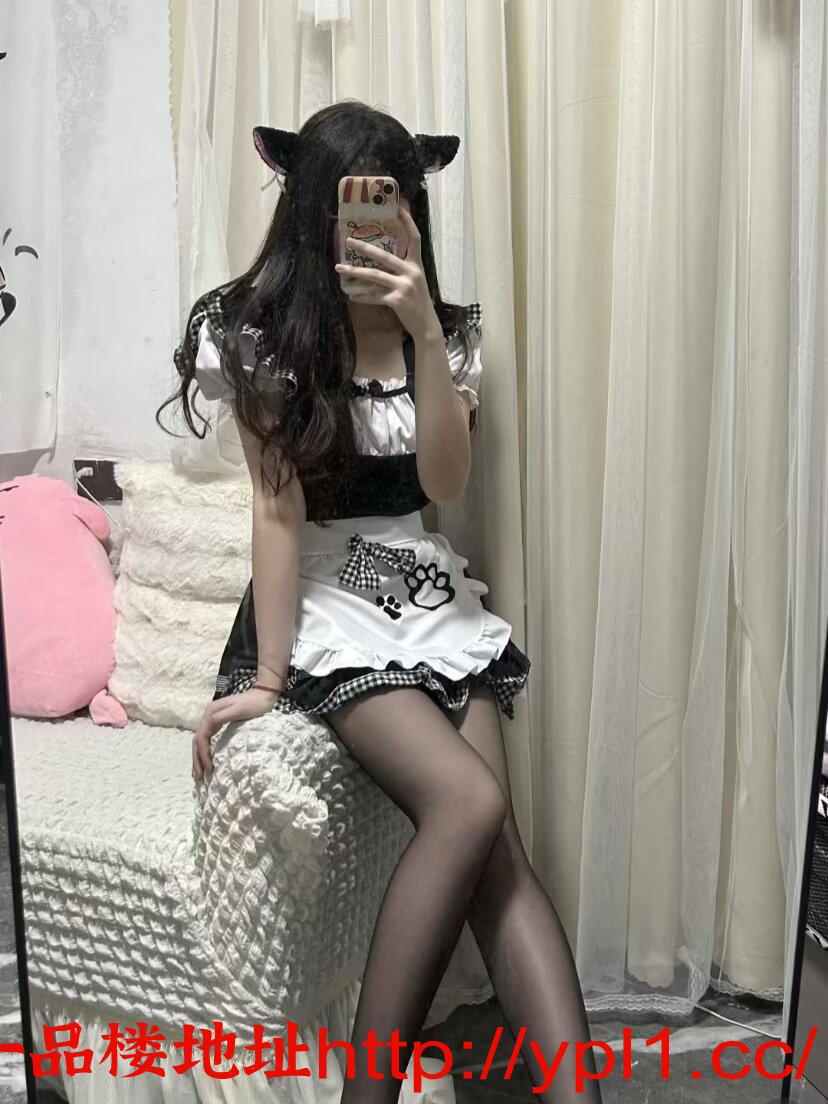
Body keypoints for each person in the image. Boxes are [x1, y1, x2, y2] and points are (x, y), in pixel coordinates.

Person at [159, 100, 603, 1104]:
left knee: (497, 856)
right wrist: (268, 676)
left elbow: (444, 483)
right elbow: (277, 511)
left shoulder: (442, 333)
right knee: (470, 801)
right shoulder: (261, 335)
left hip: (423, 585)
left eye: (391, 208)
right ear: (312, 211)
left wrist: (420, 330)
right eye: (352, 209)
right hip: (328, 594)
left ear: (411, 215)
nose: (371, 231)